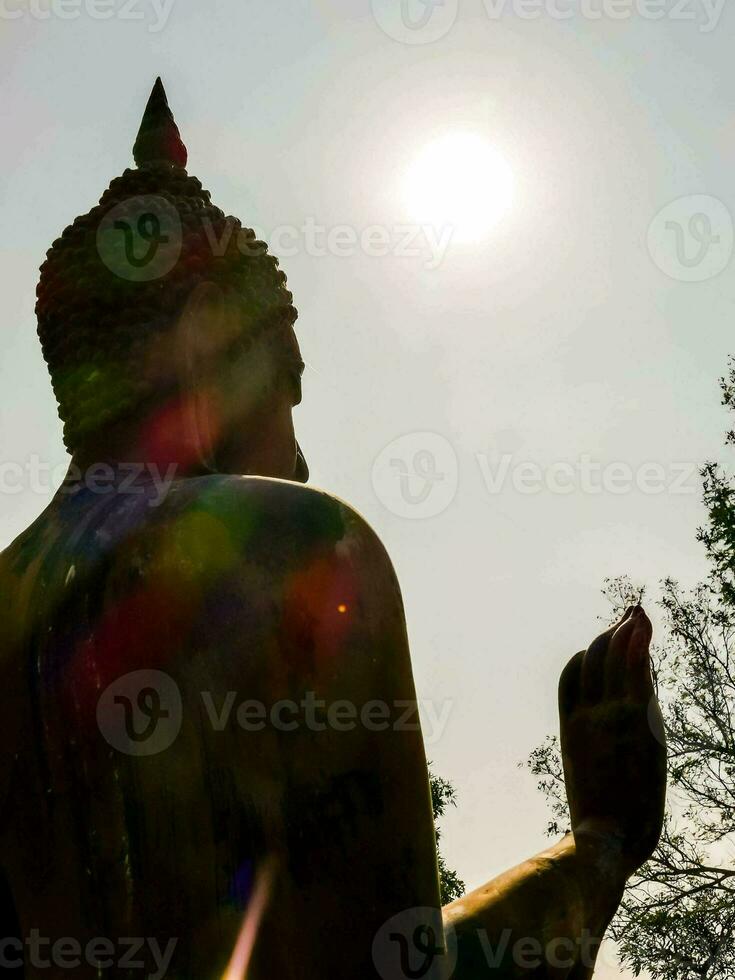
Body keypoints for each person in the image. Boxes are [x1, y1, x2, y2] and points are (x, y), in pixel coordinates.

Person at [0, 79, 666, 978]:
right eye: (288, 390)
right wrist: (596, 845)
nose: (301, 457)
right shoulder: (287, 553)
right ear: (204, 342)